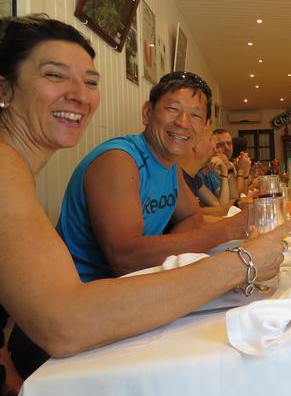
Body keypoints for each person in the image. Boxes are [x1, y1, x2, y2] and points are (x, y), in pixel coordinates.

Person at [0, 15, 290, 380]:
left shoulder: (17, 167)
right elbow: (66, 321)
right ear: (5, 89)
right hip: (56, 348)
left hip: (101, 318)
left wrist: (174, 255)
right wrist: (241, 261)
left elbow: (191, 217)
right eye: (55, 75)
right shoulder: (112, 159)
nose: (79, 94)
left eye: (90, 82)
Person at [57, 72, 258, 283]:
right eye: (172, 109)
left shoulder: (170, 165)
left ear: (204, 127)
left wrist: (162, 253)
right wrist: (226, 229)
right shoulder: (119, 160)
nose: (183, 122)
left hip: (136, 283)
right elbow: (125, 259)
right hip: (86, 290)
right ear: (147, 113)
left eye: (196, 115)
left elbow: (192, 217)